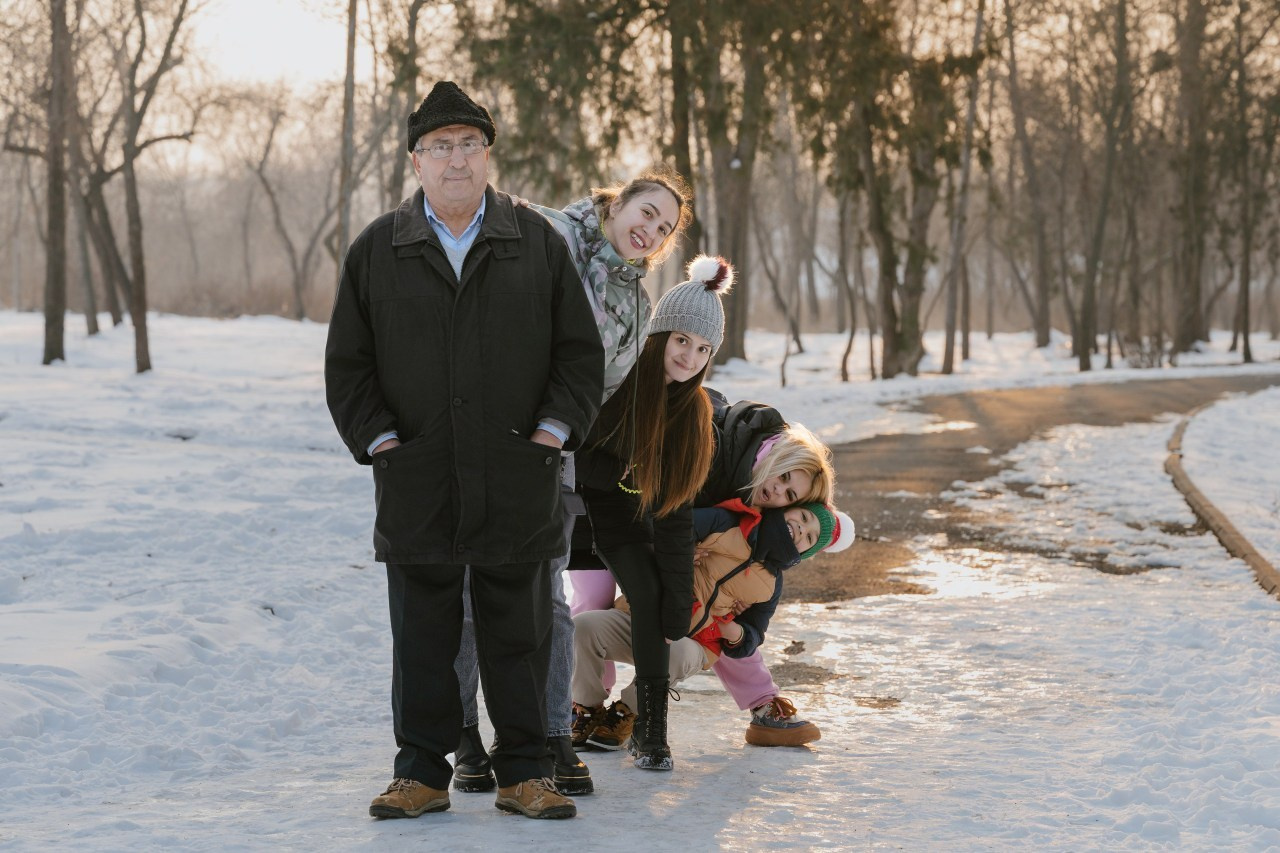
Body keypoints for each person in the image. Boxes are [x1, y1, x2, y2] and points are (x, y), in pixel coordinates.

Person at [324, 80, 604, 821]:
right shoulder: (378, 249)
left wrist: (550, 434)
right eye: (440, 146)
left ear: (489, 155)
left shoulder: (534, 242)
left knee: (519, 630)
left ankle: (523, 772)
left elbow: (580, 356)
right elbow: (347, 368)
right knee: (423, 632)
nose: (456, 159)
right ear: (416, 161)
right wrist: (384, 442)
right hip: (418, 473)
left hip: (518, 470)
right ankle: (419, 771)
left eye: (469, 144)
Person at [450, 167, 694, 797]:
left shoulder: (638, 306)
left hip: (555, 465)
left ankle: (551, 733)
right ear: (618, 202)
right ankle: (466, 738)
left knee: (548, 603)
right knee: (474, 596)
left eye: (664, 228)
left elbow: (609, 395)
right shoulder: (544, 233)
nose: (650, 230)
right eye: (646, 212)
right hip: (486, 447)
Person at [568, 392, 837, 746]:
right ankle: (582, 705)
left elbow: (733, 594)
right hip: (614, 512)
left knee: (717, 601)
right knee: (591, 600)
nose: (778, 490)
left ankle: (759, 701)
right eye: (784, 477)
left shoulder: (755, 501)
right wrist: (675, 549)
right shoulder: (716, 448)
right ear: (776, 455)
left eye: (790, 496)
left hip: (659, 534)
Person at [569, 254, 733, 771]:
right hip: (587, 510)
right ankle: (576, 717)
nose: (689, 356)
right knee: (620, 595)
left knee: (659, 601)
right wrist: (625, 470)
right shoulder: (620, 379)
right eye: (682, 340)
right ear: (660, 333)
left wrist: (677, 603)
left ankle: (651, 733)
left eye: (702, 348)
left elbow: (677, 514)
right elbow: (583, 456)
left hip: (637, 518)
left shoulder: (695, 414)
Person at [571, 500, 855, 750]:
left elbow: (754, 635)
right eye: (803, 517)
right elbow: (670, 529)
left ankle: (627, 712)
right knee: (582, 627)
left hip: (692, 641)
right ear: (787, 509)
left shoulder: (770, 583)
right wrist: (679, 553)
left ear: (805, 553)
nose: (801, 529)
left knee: (678, 654)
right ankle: (587, 708)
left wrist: (735, 632)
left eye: (809, 537)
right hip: (637, 618)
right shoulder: (727, 522)